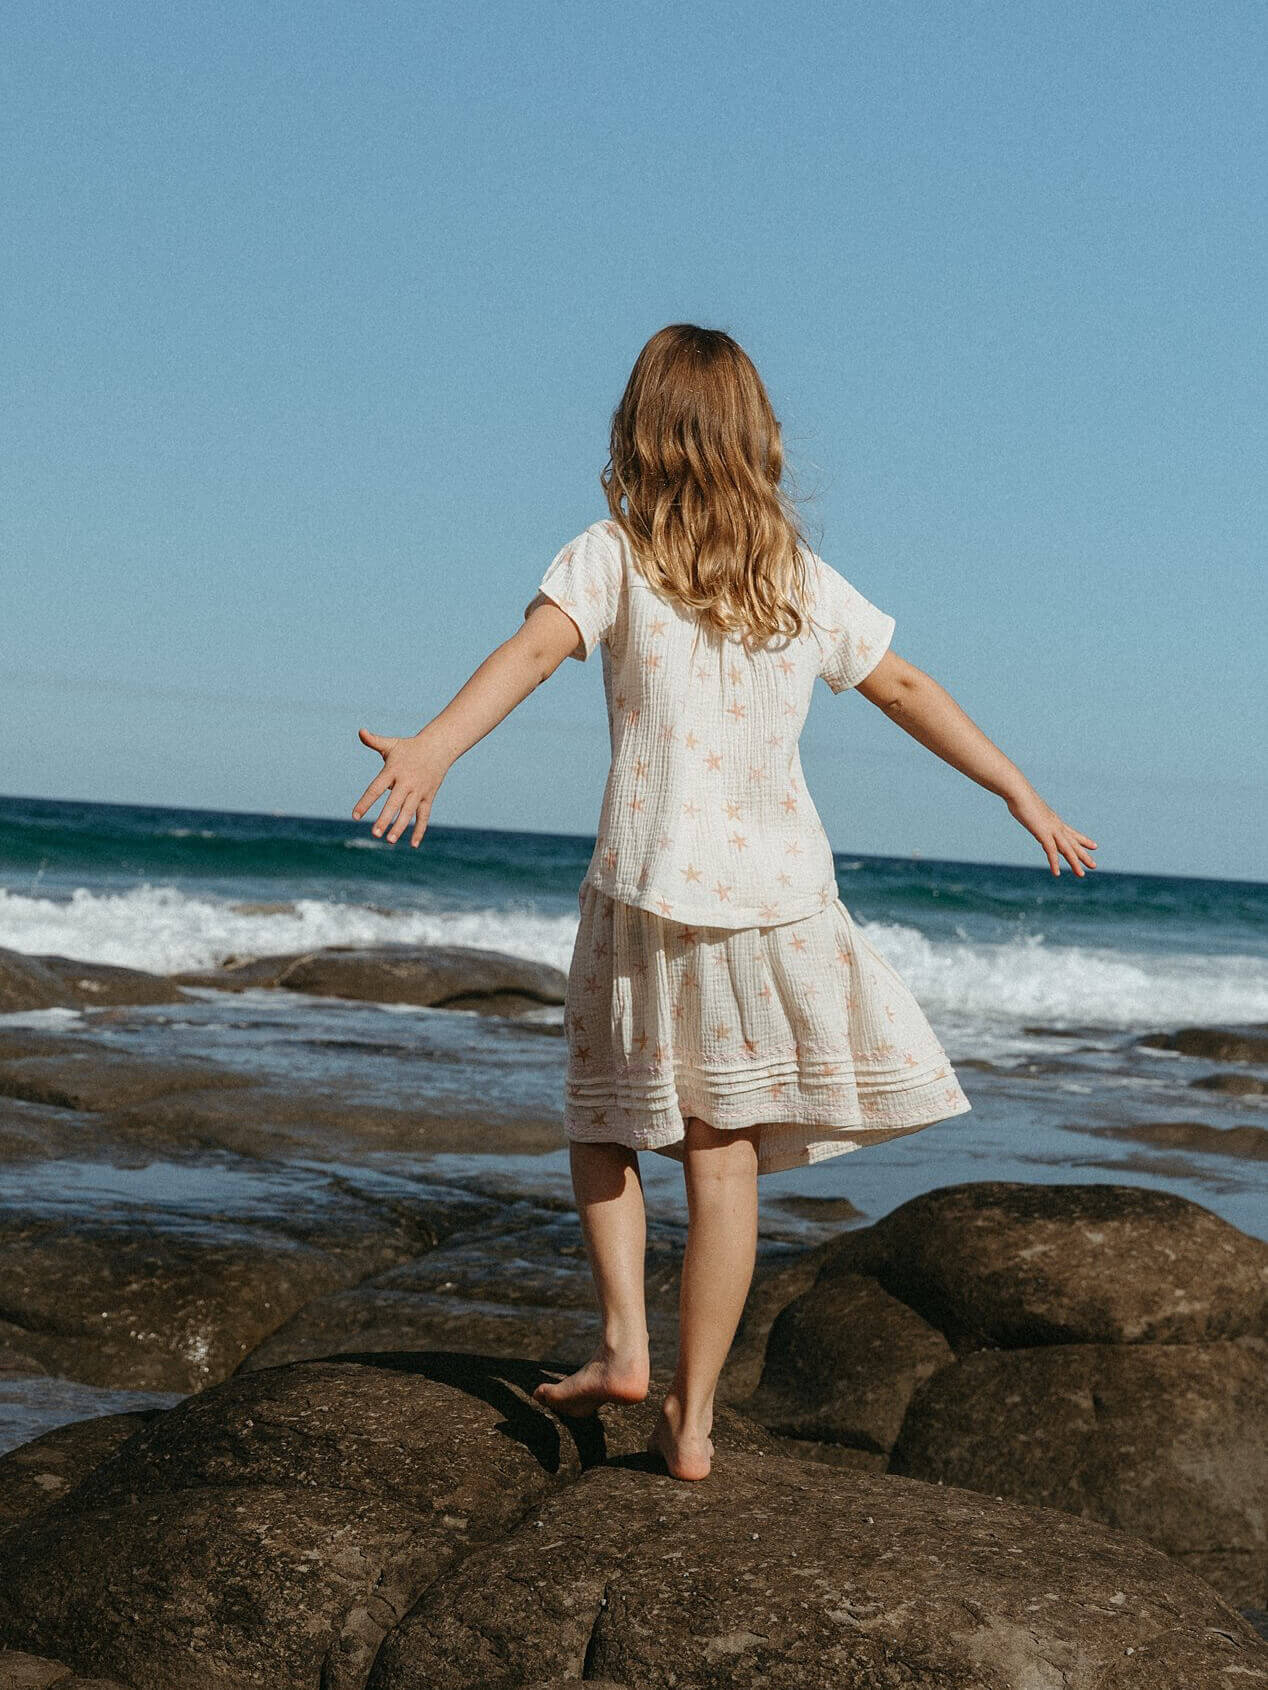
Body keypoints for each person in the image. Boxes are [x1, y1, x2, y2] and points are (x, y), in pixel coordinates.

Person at [352, 323, 1098, 1482]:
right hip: (771, 900)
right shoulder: (791, 575)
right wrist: (1017, 791)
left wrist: (434, 748)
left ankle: (622, 1346)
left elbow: (530, 652)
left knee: (604, 1121)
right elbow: (902, 683)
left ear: (639, 431)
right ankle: (692, 1422)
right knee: (725, 1158)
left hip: (646, 893)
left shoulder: (610, 552)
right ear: (757, 439)